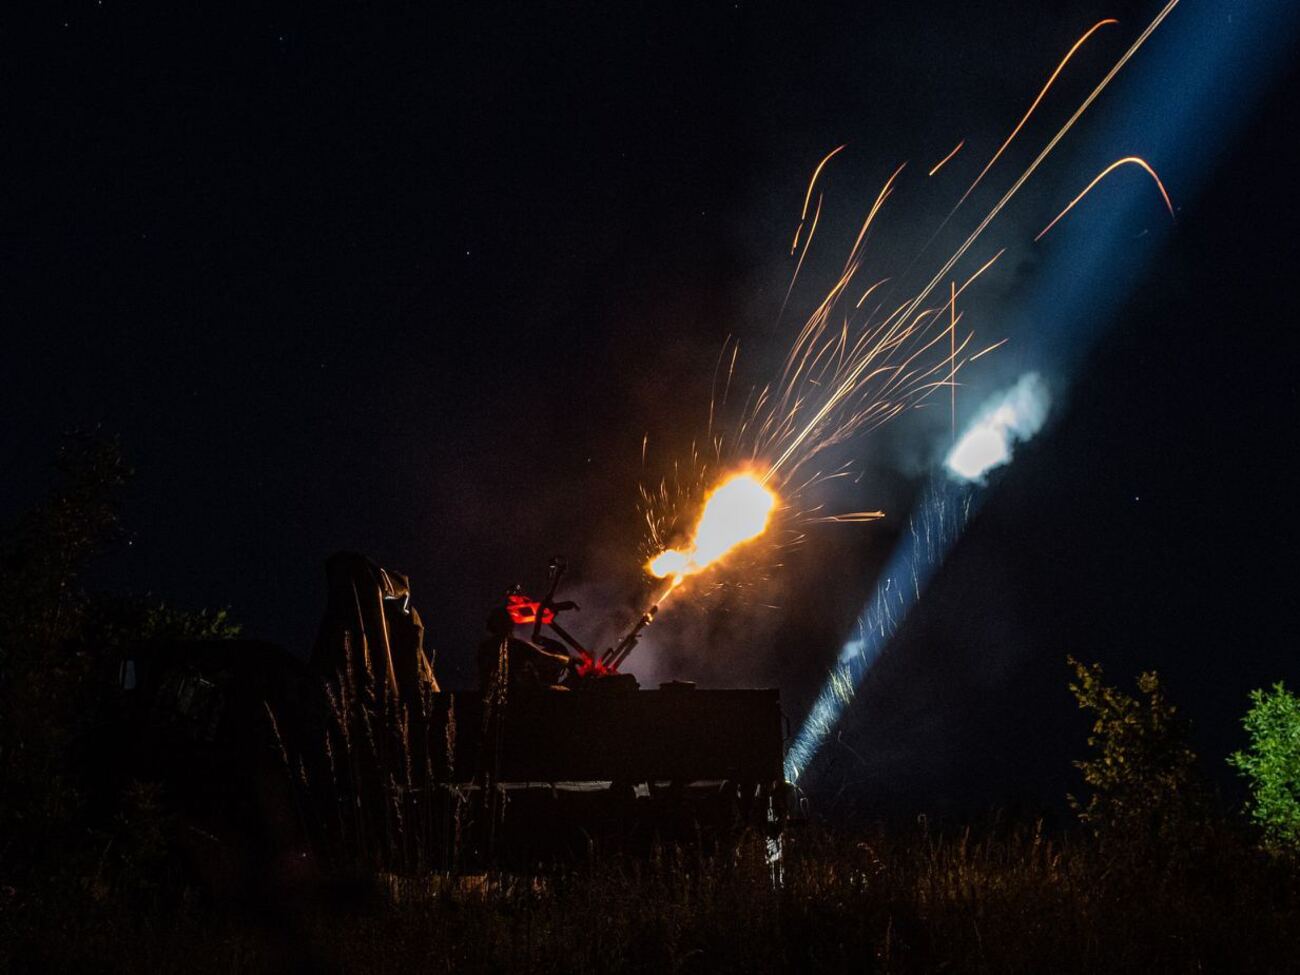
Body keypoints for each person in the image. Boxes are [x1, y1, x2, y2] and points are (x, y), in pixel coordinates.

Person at [477, 605, 571, 697]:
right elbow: (544, 658)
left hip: (492, 694)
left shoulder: (484, 647)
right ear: (508, 624)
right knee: (564, 692)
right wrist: (569, 660)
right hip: (516, 694)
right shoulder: (515, 645)